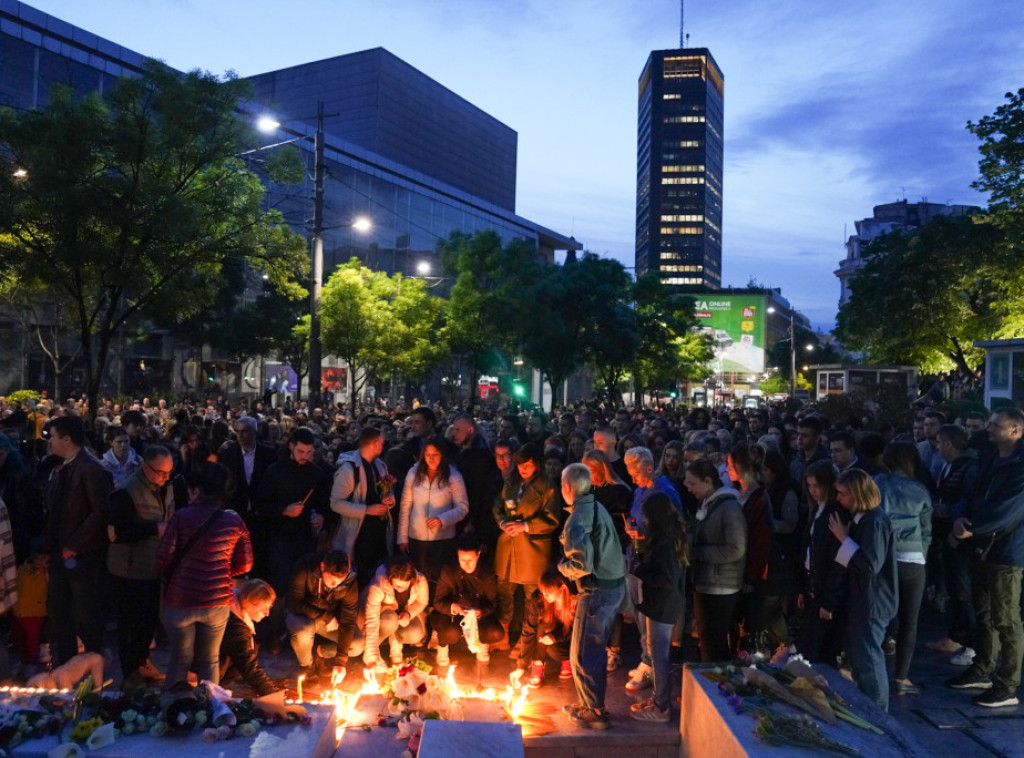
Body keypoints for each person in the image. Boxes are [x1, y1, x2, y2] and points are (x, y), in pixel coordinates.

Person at [948, 407, 1024, 708]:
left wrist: (971, 528)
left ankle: (1007, 685)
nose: (988, 429)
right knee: (984, 613)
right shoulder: (991, 457)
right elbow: (971, 494)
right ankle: (982, 667)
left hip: (1007, 552)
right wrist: (960, 518)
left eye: (995, 425)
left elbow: (1008, 510)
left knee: (1006, 618)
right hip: (980, 547)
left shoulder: (1020, 465)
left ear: (1015, 430)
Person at [156, 461, 253, 687]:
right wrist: (220, 572)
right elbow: (246, 564)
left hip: (180, 600)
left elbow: (162, 558)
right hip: (216, 601)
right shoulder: (234, 520)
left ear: (197, 489)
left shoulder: (181, 517)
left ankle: (174, 709)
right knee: (210, 660)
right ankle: (210, 710)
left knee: (180, 659)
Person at [558, 463, 626, 730]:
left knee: (585, 652)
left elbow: (581, 564)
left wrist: (562, 566)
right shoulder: (596, 506)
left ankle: (594, 710)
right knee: (587, 649)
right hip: (611, 587)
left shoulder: (578, 518)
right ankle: (588, 702)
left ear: (567, 487)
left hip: (597, 591)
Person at [43, 416, 113, 666]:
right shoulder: (61, 467)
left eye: (52, 436)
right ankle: (66, 669)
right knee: (60, 616)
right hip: (62, 555)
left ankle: (91, 671)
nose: (49, 441)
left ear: (66, 439)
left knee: (87, 618)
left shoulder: (91, 468)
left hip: (83, 558)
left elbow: (101, 511)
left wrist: (74, 545)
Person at [827, 469, 898, 711]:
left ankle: (880, 714)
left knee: (869, 660)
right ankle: (869, 707)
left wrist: (843, 538)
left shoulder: (874, 521)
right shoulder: (865, 520)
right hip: (864, 600)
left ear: (858, 495)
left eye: (843, 494)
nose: (839, 499)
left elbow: (870, 565)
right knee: (861, 660)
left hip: (872, 603)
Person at [255, 428, 330, 650]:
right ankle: (274, 632)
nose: (304, 456)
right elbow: (261, 504)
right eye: (300, 451)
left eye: (308, 452)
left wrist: (321, 517)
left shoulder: (316, 473)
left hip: (306, 538)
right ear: (291, 446)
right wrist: (283, 511)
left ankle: (299, 634)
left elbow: (325, 503)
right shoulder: (274, 471)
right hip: (280, 536)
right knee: (278, 588)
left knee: (305, 588)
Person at [107, 445, 176, 686]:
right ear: (145, 467)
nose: (165, 478)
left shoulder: (165, 486)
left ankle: (142, 660)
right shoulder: (126, 492)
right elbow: (116, 532)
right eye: (160, 473)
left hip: (153, 566)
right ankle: (130, 673)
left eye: (169, 473)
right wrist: (152, 529)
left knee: (148, 620)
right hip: (129, 569)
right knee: (130, 624)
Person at [873, 441, 932, 696]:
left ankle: (868, 670)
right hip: (913, 558)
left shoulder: (876, 483)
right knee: (910, 621)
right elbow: (927, 530)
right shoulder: (919, 489)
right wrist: (923, 556)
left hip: (883, 555)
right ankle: (901, 678)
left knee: (878, 616)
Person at [493, 443, 560, 652]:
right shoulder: (511, 483)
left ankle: (526, 642)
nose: (523, 469)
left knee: (533, 599)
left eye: (528, 465)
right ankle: (503, 635)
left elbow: (553, 518)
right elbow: (498, 505)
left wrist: (526, 525)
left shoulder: (548, 487)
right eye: (520, 464)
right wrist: (502, 522)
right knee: (505, 592)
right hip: (509, 545)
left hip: (533, 550)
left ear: (537, 465)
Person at [630, 492, 688, 724]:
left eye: (646, 516)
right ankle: (658, 698)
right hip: (661, 604)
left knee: (660, 657)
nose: (643, 520)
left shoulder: (665, 544)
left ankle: (661, 706)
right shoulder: (670, 538)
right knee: (657, 654)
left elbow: (666, 578)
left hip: (662, 605)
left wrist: (640, 569)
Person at [685, 458, 746, 663]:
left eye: (693, 483)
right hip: (707, 582)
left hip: (721, 585)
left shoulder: (728, 508)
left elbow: (736, 549)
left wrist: (698, 552)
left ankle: (716, 687)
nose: (689, 488)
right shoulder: (707, 504)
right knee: (708, 639)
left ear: (708, 481)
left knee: (714, 640)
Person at [397, 436, 469, 593]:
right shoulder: (414, 473)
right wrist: (402, 536)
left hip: (443, 539)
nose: (431, 458)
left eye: (435, 454)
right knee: (418, 578)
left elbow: (463, 507)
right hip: (417, 537)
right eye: (427, 454)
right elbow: (405, 505)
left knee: (438, 579)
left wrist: (442, 519)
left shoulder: (453, 476)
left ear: (442, 454)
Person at [796, 460, 849, 664]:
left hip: (825, 590)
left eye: (816, 486)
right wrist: (803, 587)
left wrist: (829, 601)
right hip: (813, 586)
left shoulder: (834, 514)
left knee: (819, 651)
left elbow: (839, 562)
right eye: (809, 486)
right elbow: (808, 551)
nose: (812, 491)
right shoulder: (817, 510)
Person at [330, 428, 396, 589]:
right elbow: (336, 503)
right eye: (381, 443)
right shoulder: (349, 469)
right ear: (374, 444)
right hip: (359, 534)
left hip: (379, 531)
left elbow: (388, 491)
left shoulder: (380, 465)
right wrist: (366, 510)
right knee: (361, 574)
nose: (383, 446)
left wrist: (390, 499)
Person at [285, 549, 360, 685]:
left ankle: (319, 652)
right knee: (302, 632)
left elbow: (348, 622)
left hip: (328, 622)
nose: (334, 584)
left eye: (339, 581)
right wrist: (326, 616)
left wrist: (340, 662)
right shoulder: (306, 567)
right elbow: (294, 603)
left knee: (357, 643)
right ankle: (307, 667)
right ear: (322, 567)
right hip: (303, 614)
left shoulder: (350, 583)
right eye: (331, 579)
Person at [431, 533, 504, 666]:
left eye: (470, 560)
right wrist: (453, 607)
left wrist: (480, 611)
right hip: (452, 617)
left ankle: (482, 643)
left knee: (496, 633)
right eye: (462, 560)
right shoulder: (449, 571)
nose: (466, 565)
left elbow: (492, 603)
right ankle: (442, 646)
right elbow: (438, 602)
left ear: (478, 554)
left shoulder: (486, 573)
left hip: (477, 617)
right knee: (450, 633)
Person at [726, 442, 772, 649]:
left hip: (748, 573)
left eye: (730, 465)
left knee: (747, 625)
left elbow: (761, 542)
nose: (727, 470)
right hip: (735, 570)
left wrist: (751, 576)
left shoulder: (759, 499)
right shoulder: (737, 492)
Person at [361, 556, 429, 669]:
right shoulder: (379, 583)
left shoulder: (420, 581)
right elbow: (372, 618)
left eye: (404, 586)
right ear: (390, 578)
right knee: (390, 621)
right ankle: (371, 654)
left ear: (411, 580)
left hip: (403, 614)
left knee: (415, 633)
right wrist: (372, 655)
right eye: (396, 585)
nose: (400, 589)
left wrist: (408, 614)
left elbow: (422, 602)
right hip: (384, 614)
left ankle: (396, 651)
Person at [220, 578, 283, 696]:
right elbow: (249, 667)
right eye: (265, 607)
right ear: (250, 602)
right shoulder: (236, 627)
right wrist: (272, 695)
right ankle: (215, 687)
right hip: (206, 665)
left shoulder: (231, 601)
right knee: (249, 651)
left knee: (252, 648)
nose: (267, 613)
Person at [514, 568, 576, 687]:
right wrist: (521, 666)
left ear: (562, 588)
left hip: (572, 642)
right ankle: (538, 663)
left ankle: (569, 660)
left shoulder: (575, 602)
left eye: (548, 592)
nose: (544, 595)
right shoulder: (540, 600)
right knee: (541, 625)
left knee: (556, 650)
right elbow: (529, 630)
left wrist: (555, 637)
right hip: (554, 637)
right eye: (542, 591)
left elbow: (579, 632)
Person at [451, 414, 502, 550]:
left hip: (474, 520)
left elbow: (478, 491)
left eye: (457, 430)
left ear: (470, 430)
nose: (453, 434)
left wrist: (472, 520)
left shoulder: (480, 458)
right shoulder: (464, 454)